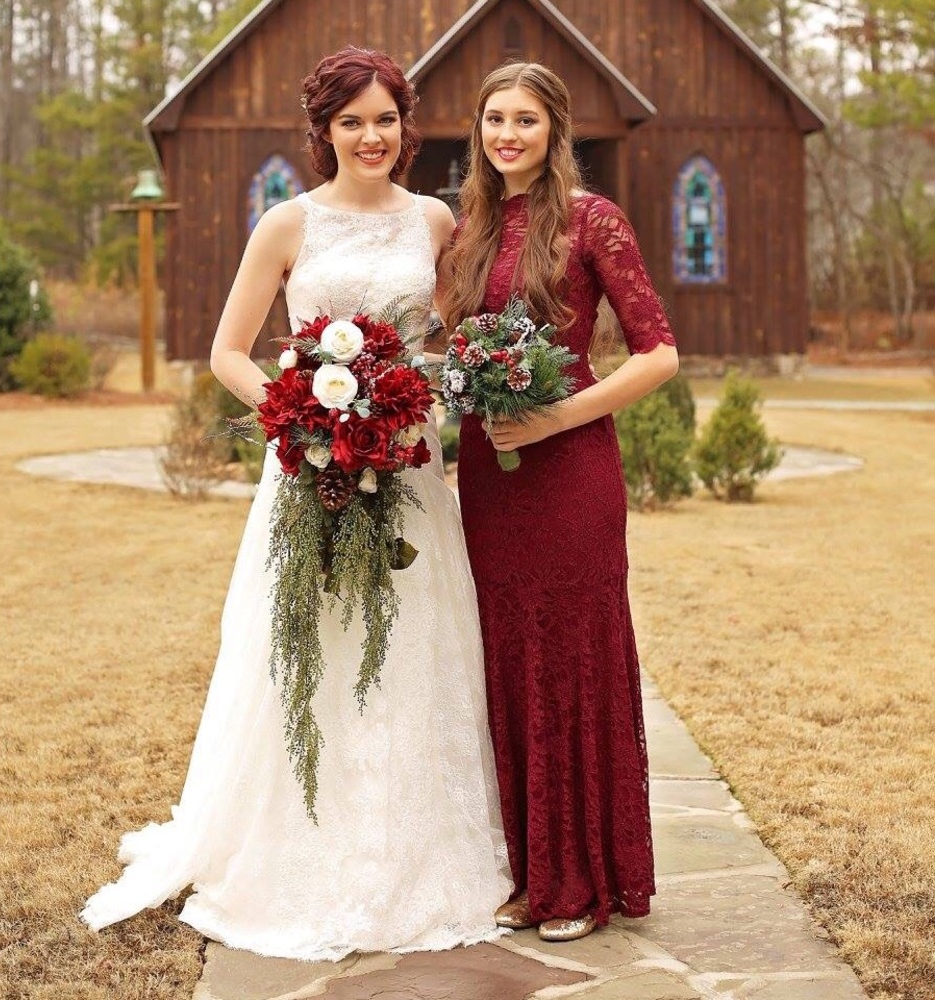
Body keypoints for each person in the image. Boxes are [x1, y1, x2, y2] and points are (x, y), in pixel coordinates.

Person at [80, 47, 511, 959]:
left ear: (406, 126)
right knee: (315, 639)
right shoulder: (286, 223)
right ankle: (300, 839)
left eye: (385, 119)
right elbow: (227, 353)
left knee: (413, 640)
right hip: (311, 465)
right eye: (351, 122)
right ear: (324, 131)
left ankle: (417, 848)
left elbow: (452, 341)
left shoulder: (435, 221)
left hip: (408, 464)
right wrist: (304, 411)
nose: (371, 137)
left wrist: (427, 397)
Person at [440, 62, 679, 943]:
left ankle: (583, 881)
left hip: (571, 466)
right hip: (488, 474)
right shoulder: (466, 229)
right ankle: (532, 875)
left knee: (571, 660)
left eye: (526, 120)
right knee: (507, 660)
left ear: (555, 131)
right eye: (495, 118)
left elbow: (659, 354)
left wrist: (556, 418)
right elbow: (444, 342)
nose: (508, 134)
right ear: (478, 129)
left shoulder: (592, 220)